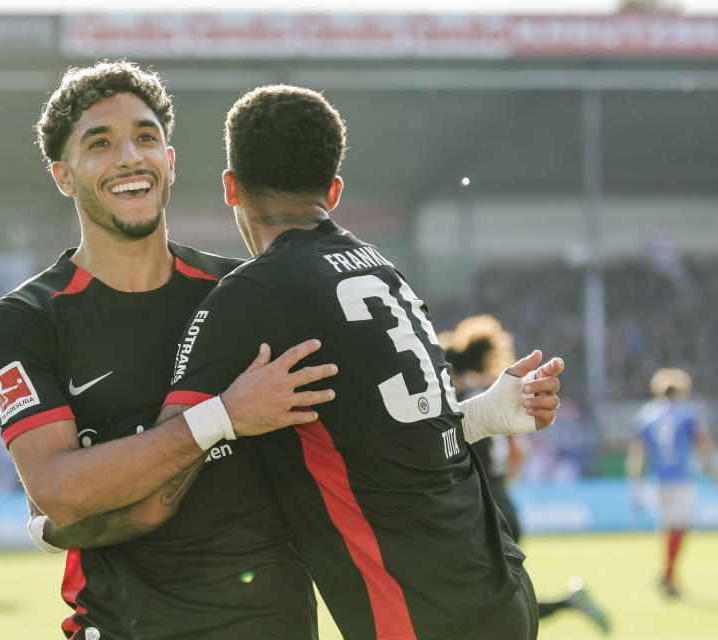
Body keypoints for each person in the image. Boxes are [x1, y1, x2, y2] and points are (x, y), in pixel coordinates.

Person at [0, 61, 564, 639]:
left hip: (275, 623)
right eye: (100, 143)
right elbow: (57, 488)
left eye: (146, 137)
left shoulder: (252, 291)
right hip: (123, 625)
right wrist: (226, 418)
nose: (130, 156)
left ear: (171, 160)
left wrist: (482, 414)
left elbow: (376, 434)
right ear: (63, 173)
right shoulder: (24, 320)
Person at [162, 84, 564, 640]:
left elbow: (165, 456)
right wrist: (486, 414)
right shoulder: (380, 269)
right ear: (333, 189)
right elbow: (399, 435)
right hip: (498, 585)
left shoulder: (250, 295)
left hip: (417, 614)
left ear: (231, 188)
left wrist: (76, 510)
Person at [441, 314, 610, 634]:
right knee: (495, 601)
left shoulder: (458, 405)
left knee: (485, 604)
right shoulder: (488, 399)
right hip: (501, 503)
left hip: (476, 511)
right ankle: (570, 602)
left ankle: (569, 603)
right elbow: (519, 453)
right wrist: (499, 481)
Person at [627, 366, 717, 598]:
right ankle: (668, 575)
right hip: (680, 479)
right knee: (680, 528)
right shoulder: (687, 413)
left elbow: (637, 453)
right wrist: (713, 472)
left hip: (658, 481)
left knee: (669, 530)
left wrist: (636, 488)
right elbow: (702, 444)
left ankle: (669, 575)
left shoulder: (647, 414)